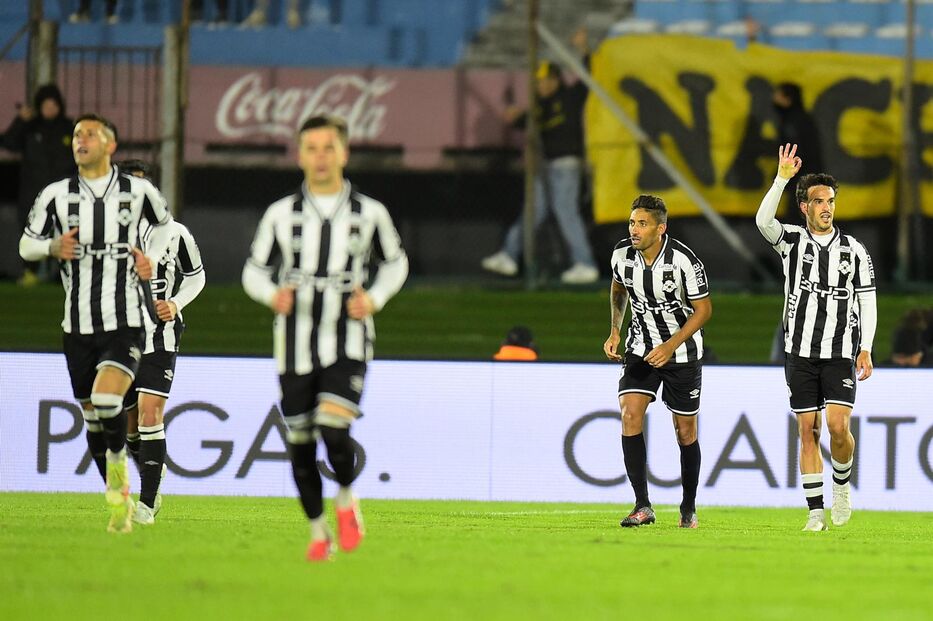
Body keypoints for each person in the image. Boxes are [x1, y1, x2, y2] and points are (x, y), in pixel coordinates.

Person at [242, 114, 408, 561]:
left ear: (344, 152)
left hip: (348, 338)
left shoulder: (368, 213)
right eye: (312, 148)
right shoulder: (281, 213)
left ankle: (346, 498)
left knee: (334, 430)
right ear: (299, 155)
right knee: (299, 445)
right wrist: (270, 294)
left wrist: (374, 298)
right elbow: (253, 271)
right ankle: (319, 533)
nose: (320, 156)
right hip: (293, 344)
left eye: (328, 147)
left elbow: (395, 263)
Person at [19, 113, 174, 532]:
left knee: (108, 403)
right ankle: (116, 492)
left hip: (125, 320)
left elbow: (165, 228)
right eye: (76, 134)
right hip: (77, 325)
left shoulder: (138, 190)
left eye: (90, 133)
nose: (80, 139)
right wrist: (53, 246)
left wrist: (150, 258)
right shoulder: (56, 194)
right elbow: (26, 245)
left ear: (110, 145)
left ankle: (123, 472)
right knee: (91, 416)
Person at [756, 143, 877, 532]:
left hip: (840, 351)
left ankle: (841, 486)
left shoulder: (854, 251)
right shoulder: (791, 241)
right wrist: (781, 179)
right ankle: (814, 512)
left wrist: (866, 348)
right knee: (808, 430)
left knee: (839, 428)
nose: (826, 207)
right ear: (804, 207)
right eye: (818, 201)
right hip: (800, 352)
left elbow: (867, 302)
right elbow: (762, 221)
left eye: (830, 200)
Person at [603, 195, 712, 529]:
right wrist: (614, 331)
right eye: (632, 223)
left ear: (660, 228)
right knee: (629, 414)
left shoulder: (683, 261)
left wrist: (670, 344)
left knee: (685, 430)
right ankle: (642, 505)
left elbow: (704, 310)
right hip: (640, 348)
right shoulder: (621, 255)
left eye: (643, 224)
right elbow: (619, 288)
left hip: (682, 353)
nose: (635, 230)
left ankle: (688, 508)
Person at [117, 159, 206, 525]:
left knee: (152, 412)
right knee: (130, 424)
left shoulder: (176, 233)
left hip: (161, 335)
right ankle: (151, 468)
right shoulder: (106, 235)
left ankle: (147, 504)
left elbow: (196, 277)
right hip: (119, 335)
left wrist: (174, 303)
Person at [481, 28, 599, 285]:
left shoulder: (569, 97)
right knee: (533, 212)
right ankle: (509, 255)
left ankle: (585, 262)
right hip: (545, 165)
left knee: (565, 211)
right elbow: (527, 123)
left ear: (557, 80)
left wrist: (583, 49)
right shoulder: (540, 106)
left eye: (546, 80)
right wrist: (515, 118)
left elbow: (588, 76)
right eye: (539, 81)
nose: (542, 85)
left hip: (565, 163)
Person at [1, 84, 76, 286]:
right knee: (32, 230)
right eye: (46, 105)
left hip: (64, 193)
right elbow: (8, 143)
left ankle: (63, 274)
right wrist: (20, 121)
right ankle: (30, 272)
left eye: (53, 104)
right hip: (32, 192)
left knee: (66, 231)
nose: (50, 108)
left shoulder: (69, 128)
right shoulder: (30, 127)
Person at [773, 83, 823, 213]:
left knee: (798, 214)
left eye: (778, 95)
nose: (774, 98)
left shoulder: (793, 122)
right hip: (805, 176)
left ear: (788, 98)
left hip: (801, 177)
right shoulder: (800, 119)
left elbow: (799, 151)